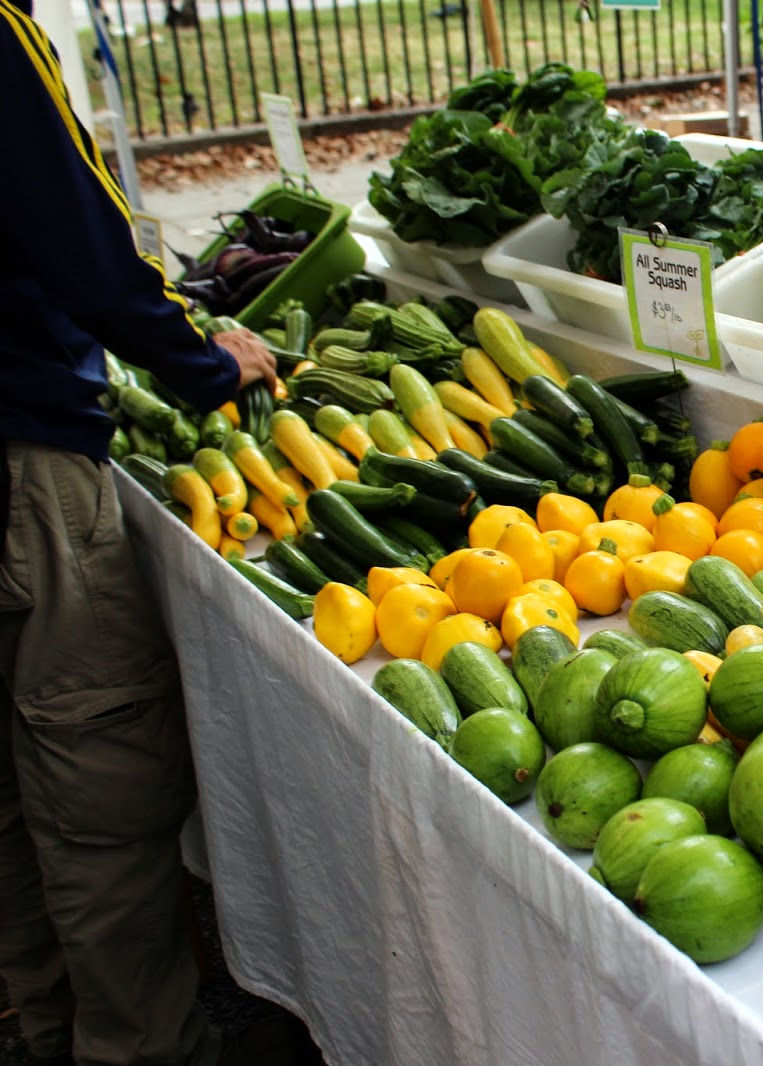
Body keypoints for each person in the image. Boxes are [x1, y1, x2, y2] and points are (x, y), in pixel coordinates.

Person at [0, 1, 280, 1063]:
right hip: (19, 454)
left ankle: (42, 1022)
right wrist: (204, 362)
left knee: (5, 787)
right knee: (95, 784)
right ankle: (139, 1048)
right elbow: (82, 239)